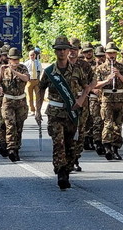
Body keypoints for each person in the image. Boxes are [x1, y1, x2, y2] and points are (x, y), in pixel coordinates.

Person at [35, 36, 91, 190]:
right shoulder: (49, 72)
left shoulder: (77, 70)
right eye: (58, 49)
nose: (61, 52)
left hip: (72, 113)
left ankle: (66, 168)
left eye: (64, 49)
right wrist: (37, 109)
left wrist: (80, 101)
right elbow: (40, 88)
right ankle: (61, 172)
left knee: (72, 145)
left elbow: (87, 86)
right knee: (58, 143)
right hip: (55, 113)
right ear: (55, 51)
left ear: (69, 51)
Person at [94, 42, 123, 161]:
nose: (112, 55)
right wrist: (107, 80)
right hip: (107, 99)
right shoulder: (100, 68)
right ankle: (107, 148)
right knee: (108, 124)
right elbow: (94, 85)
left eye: (114, 53)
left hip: (120, 99)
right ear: (105, 54)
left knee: (118, 126)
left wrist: (119, 75)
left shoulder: (122, 67)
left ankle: (115, 149)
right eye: (109, 53)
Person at [0, 47, 29, 162]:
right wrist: (1, 73)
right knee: (10, 125)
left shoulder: (23, 68)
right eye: (13, 60)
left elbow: (26, 78)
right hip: (8, 101)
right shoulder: (4, 70)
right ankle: (11, 148)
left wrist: (14, 71)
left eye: (17, 59)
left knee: (19, 126)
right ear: (9, 60)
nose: (15, 62)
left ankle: (17, 147)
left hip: (21, 101)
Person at [68, 38, 95, 172]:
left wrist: (88, 90)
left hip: (82, 101)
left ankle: (75, 158)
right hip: (66, 102)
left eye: (75, 49)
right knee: (67, 131)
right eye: (70, 49)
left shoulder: (84, 65)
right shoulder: (61, 64)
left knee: (80, 131)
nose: (72, 52)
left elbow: (93, 80)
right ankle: (66, 158)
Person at [23, 50, 42, 115]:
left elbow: (39, 71)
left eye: (33, 55)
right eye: (31, 55)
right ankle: (32, 110)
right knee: (30, 96)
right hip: (29, 81)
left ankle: (38, 110)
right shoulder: (26, 63)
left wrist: (38, 80)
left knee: (38, 96)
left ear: (35, 56)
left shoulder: (38, 63)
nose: (32, 56)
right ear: (29, 56)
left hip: (36, 81)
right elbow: (24, 72)